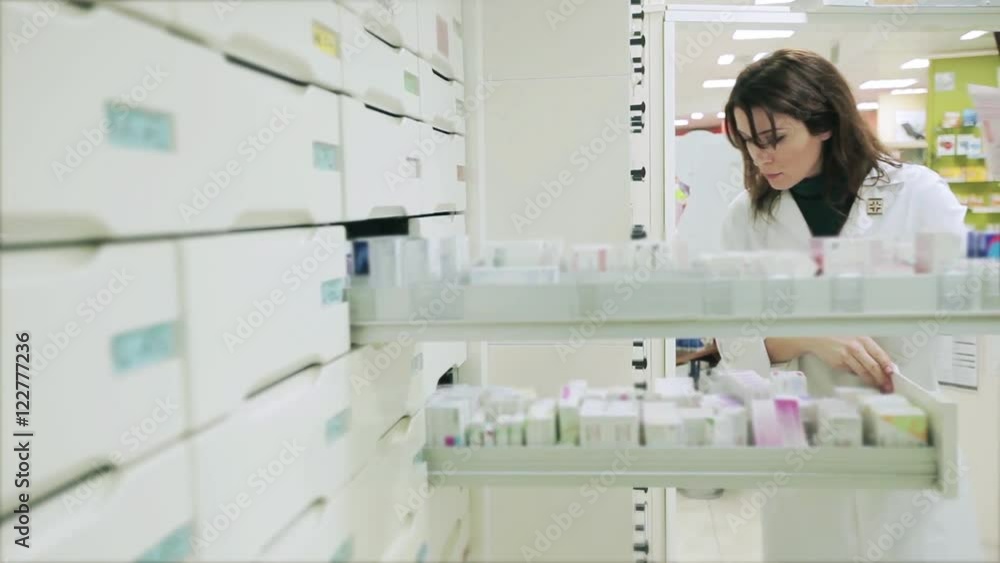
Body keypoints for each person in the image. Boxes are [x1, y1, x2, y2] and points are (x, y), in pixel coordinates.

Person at [718, 49, 983, 562]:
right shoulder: (747, 217)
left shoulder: (917, 193)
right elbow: (732, 338)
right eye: (748, 143)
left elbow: (970, 291)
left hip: (905, 431)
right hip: (803, 441)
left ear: (825, 124)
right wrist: (813, 339)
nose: (760, 158)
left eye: (774, 139)